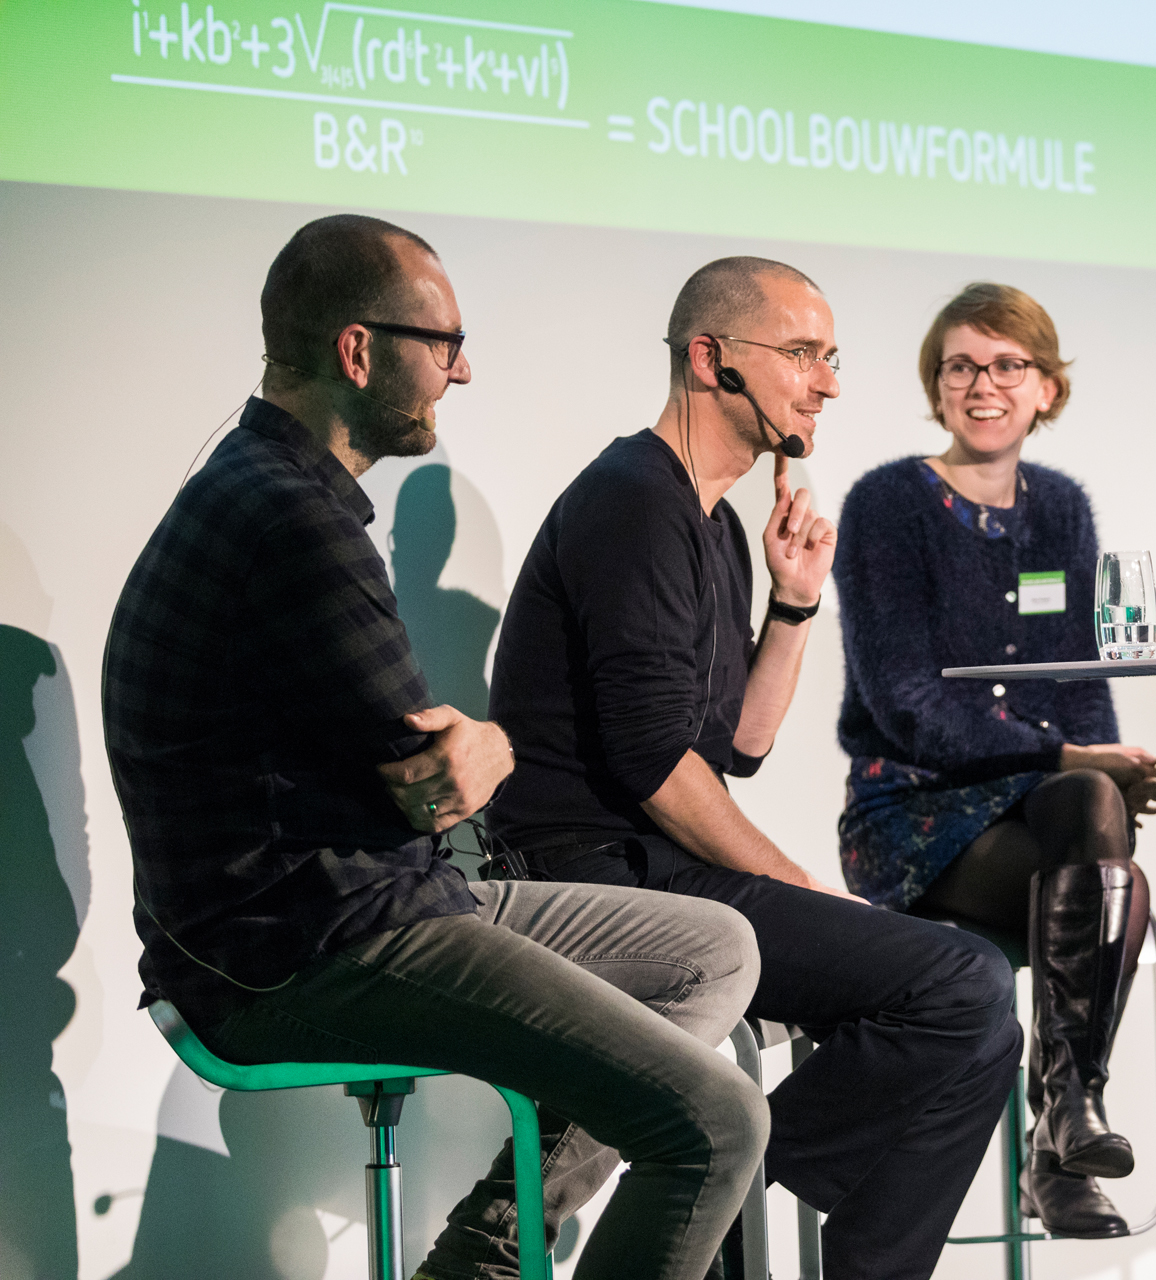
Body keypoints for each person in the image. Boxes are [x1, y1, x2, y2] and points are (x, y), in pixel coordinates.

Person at [102, 215, 769, 1280]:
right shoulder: (290, 519)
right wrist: (494, 744)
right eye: (445, 343)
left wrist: (480, 748)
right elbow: (443, 788)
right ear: (358, 350)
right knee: (717, 1123)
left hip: (366, 895)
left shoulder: (275, 488)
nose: (465, 370)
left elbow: (424, 776)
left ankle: (490, 1249)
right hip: (308, 945)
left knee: (716, 947)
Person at [485, 257, 1023, 1280]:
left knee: (983, 1021)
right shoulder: (631, 501)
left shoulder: (713, 522)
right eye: (803, 353)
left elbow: (736, 744)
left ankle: (751, 1186)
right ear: (709, 358)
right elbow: (653, 765)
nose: (826, 381)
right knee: (963, 984)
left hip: (666, 866)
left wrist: (794, 600)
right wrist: (794, 883)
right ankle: (714, 1160)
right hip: (604, 877)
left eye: (831, 358)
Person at [833, 283, 1156, 1237]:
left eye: (1007, 365)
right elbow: (906, 705)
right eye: (961, 366)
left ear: (1047, 387)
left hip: (1040, 822)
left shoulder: (1060, 508)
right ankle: (1062, 1136)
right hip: (912, 816)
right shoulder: (888, 503)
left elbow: (1080, 686)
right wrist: (1074, 756)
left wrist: (1101, 767)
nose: (983, 384)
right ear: (936, 386)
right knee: (1116, 879)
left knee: (1099, 832)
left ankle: (1067, 1118)